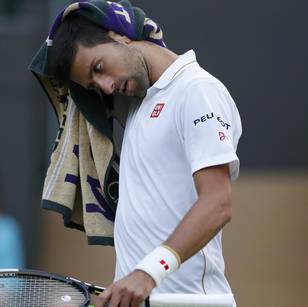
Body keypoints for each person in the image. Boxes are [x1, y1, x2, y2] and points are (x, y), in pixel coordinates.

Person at [34, 1, 242, 306]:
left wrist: (147, 273)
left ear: (118, 35)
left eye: (99, 67)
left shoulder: (197, 90)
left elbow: (218, 203)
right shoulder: (136, 108)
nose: (105, 87)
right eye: (93, 84)